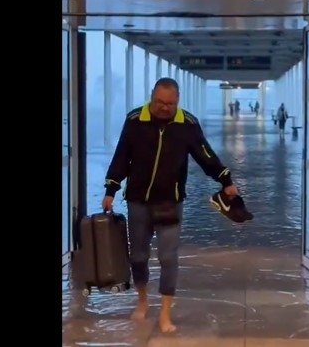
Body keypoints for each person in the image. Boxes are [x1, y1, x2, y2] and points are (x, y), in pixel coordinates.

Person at [101, 77, 239, 333]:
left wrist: (225, 180)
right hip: (138, 201)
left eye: (170, 103)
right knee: (138, 256)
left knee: (168, 257)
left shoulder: (187, 124)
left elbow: (205, 155)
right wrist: (111, 189)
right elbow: (121, 156)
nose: (164, 107)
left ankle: (165, 313)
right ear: (152, 96)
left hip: (170, 201)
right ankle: (142, 300)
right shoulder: (134, 121)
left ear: (178, 101)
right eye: (160, 102)